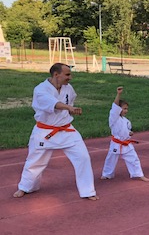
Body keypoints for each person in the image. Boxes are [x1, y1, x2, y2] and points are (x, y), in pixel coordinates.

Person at [13, 63, 98, 200]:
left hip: (67, 129)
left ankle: (88, 191)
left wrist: (71, 110)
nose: (70, 77)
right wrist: (68, 108)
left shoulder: (68, 88)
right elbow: (54, 104)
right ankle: (25, 187)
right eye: (67, 74)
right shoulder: (41, 89)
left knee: (83, 157)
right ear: (56, 75)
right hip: (45, 131)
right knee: (35, 162)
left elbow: (69, 102)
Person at [101, 86, 149, 182]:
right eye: (124, 109)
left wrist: (130, 133)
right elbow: (115, 107)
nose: (126, 111)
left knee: (134, 159)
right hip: (116, 143)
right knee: (111, 159)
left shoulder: (126, 121)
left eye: (127, 109)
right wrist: (118, 94)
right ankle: (107, 174)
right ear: (118, 109)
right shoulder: (113, 118)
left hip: (126, 143)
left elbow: (126, 130)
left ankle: (138, 174)